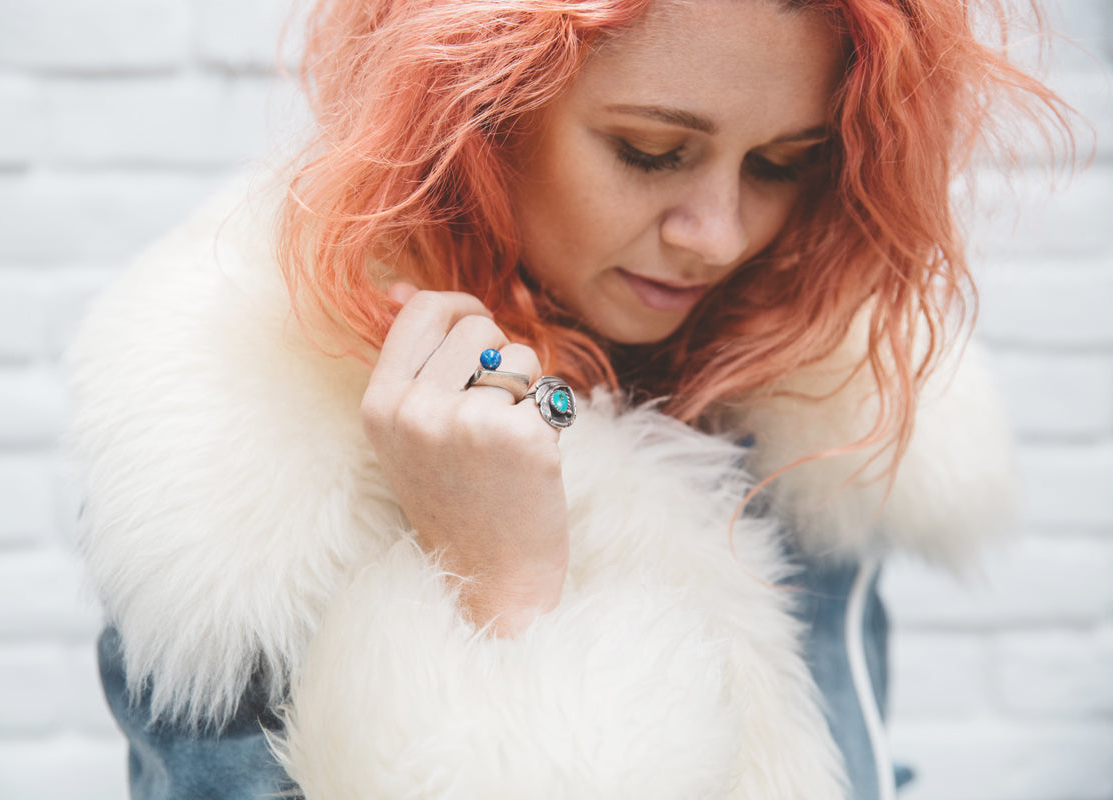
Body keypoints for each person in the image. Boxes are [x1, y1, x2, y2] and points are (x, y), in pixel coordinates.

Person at [66, 0, 1070, 797]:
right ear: (482, 101)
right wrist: (503, 597)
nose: (719, 234)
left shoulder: (807, 397)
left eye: (782, 165)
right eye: (649, 150)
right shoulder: (250, 474)